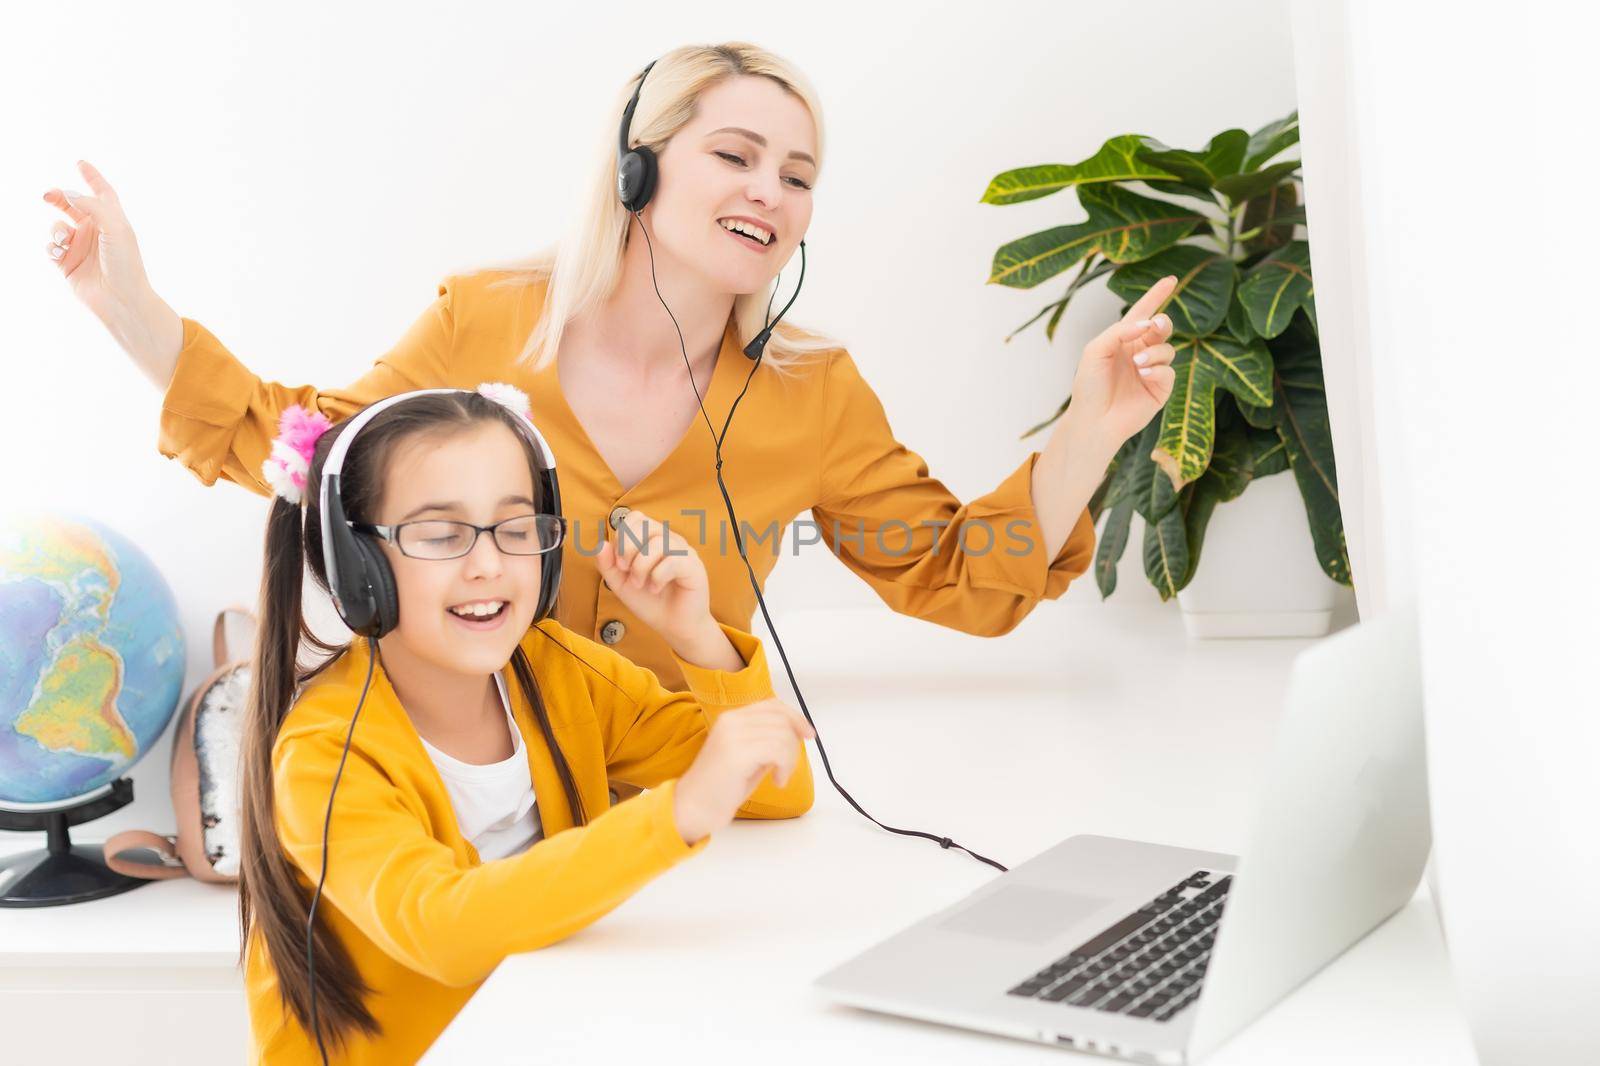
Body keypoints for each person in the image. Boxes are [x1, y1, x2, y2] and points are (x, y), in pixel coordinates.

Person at [40, 41, 1179, 694]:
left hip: (688, 802)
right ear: (636, 171)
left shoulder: (811, 391)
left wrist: (1093, 424)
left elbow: (949, 575)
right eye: (733, 155)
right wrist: (129, 305)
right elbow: (312, 456)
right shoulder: (485, 321)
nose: (768, 195)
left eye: (797, 174)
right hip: (475, 799)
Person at [237, 383, 814, 1064]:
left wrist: (695, 634)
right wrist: (679, 813)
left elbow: (778, 788)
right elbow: (444, 928)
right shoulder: (324, 754)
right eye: (441, 534)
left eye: (515, 529)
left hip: (550, 1031)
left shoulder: (556, 669)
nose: (488, 564)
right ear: (358, 567)